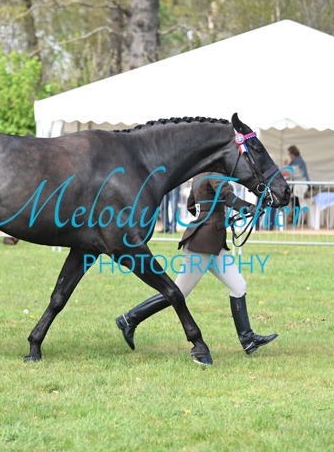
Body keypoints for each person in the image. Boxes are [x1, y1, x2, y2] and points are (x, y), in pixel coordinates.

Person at [115, 172, 278, 355]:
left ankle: (247, 339)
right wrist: (247, 207)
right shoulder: (215, 172)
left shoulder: (198, 175)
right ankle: (129, 319)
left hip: (213, 243)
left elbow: (191, 205)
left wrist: (212, 218)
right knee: (177, 292)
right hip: (202, 244)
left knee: (238, 286)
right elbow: (226, 195)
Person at [283, 145, 309, 227]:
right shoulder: (297, 160)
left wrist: (286, 167)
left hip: (300, 186)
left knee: (297, 203)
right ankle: (295, 219)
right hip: (298, 186)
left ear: (292, 153)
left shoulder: (298, 161)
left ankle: (296, 220)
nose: (289, 155)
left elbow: (291, 172)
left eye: (289, 154)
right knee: (295, 203)